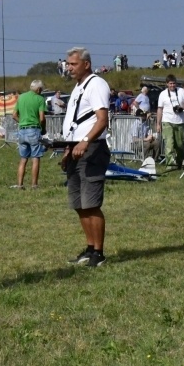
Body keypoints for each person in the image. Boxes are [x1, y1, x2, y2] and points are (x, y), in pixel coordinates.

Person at [61, 47, 111, 268]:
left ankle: (99, 252)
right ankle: (90, 248)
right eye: (68, 64)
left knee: (91, 202)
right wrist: (67, 149)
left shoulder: (96, 85)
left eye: (73, 64)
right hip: (75, 149)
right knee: (79, 203)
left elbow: (101, 119)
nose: (68, 68)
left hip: (91, 149)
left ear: (86, 64)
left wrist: (85, 141)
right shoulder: (77, 87)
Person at [12, 79, 46, 190]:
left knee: (23, 158)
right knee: (35, 158)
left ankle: (20, 184)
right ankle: (34, 185)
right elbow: (42, 118)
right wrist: (43, 129)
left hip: (22, 130)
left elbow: (14, 115)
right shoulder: (40, 99)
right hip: (34, 130)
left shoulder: (21, 97)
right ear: (39, 89)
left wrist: (22, 121)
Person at [156, 74, 184, 168]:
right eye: (170, 83)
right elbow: (159, 109)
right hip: (167, 121)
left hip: (179, 121)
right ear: (167, 84)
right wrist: (158, 124)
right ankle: (170, 164)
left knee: (180, 145)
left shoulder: (182, 91)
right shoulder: (162, 94)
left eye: (174, 83)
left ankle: (179, 162)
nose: (172, 85)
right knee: (169, 143)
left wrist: (182, 107)